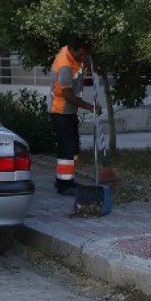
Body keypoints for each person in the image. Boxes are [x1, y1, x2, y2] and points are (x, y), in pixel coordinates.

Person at [49, 37, 98, 195]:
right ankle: (64, 184)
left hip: (69, 111)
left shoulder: (73, 54)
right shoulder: (65, 65)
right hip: (61, 111)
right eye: (82, 54)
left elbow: (81, 66)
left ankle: (67, 179)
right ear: (74, 50)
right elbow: (68, 95)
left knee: (74, 147)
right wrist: (90, 106)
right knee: (67, 149)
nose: (83, 57)